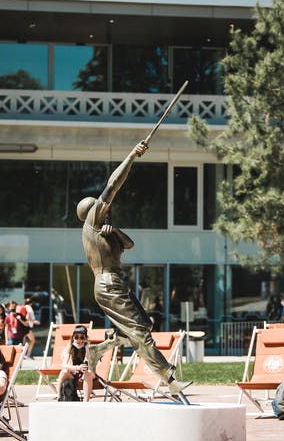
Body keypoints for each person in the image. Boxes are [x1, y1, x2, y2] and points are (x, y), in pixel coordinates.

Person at [76, 141, 190, 399]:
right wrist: (133, 155)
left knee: (144, 326)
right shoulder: (93, 223)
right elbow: (113, 184)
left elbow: (129, 244)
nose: (107, 208)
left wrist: (114, 230)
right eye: (101, 206)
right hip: (108, 284)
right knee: (140, 334)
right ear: (93, 211)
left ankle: (98, 350)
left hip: (113, 284)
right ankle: (169, 378)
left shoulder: (104, 232)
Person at [57, 324, 96, 402]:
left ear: (85, 338)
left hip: (85, 373)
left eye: (82, 337)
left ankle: (86, 402)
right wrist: (77, 368)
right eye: (76, 337)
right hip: (74, 372)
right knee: (64, 372)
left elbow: (89, 363)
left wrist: (87, 347)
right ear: (73, 338)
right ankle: (59, 397)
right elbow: (64, 365)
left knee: (88, 374)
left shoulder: (87, 347)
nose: (79, 340)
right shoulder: (70, 347)